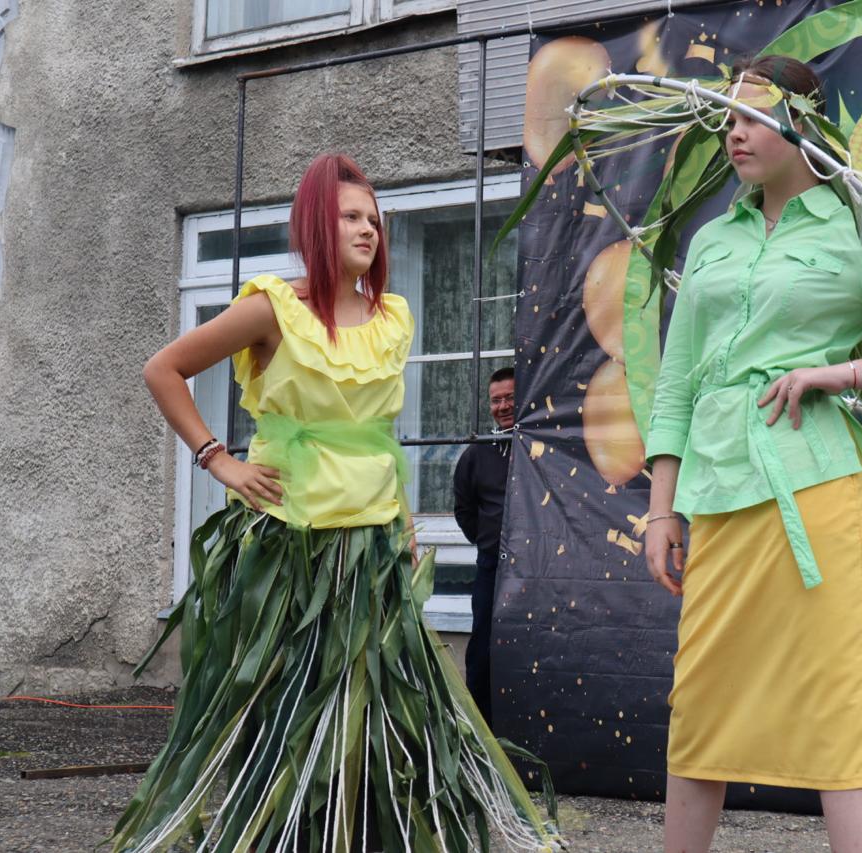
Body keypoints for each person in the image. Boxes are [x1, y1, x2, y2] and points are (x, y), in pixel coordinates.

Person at [113, 153, 558, 852]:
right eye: (351, 216)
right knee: (295, 710)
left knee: (374, 709)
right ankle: (286, 833)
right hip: (292, 549)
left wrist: (403, 517)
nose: (368, 229)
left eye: (373, 219)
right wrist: (217, 459)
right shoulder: (272, 308)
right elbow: (163, 369)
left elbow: (379, 434)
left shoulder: (392, 317)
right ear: (317, 227)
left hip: (371, 550)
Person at [642, 57, 862, 853]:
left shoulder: (859, 230)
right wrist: (660, 508)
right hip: (718, 494)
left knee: (840, 702)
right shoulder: (712, 240)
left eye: (753, 116)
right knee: (700, 705)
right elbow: (677, 382)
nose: (735, 131)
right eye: (728, 117)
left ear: (804, 125)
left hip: (818, 493)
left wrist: (837, 374)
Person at [453, 366, 515, 725]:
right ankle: (480, 729)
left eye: (510, 398)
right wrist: (486, 539)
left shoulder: (542, 448)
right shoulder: (477, 454)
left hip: (540, 569)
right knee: (482, 650)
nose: (502, 406)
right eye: (496, 400)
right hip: (492, 566)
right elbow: (463, 508)